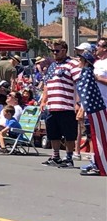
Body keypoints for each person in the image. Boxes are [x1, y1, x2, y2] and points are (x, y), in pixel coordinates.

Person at [39, 40, 82, 168]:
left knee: (69, 134)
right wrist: (43, 101)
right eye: (52, 51)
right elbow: (47, 84)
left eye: (57, 51)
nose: (54, 53)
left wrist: (78, 103)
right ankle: (55, 156)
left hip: (67, 105)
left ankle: (69, 157)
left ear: (64, 50)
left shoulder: (73, 65)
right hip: (52, 106)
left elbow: (79, 84)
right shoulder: (52, 66)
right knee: (53, 133)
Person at [75, 49, 107, 176]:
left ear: (86, 62)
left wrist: (82, 109)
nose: (79, 61)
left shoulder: (88, 74)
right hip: (94, 109)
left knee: (97, 136)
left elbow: (87, 94)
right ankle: (97, 162)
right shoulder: (86, 73)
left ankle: (98, 164)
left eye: (81, 59)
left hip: (97, 109)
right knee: (93, 136)